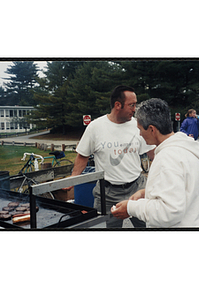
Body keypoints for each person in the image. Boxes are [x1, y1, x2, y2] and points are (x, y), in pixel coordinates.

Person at [111, 98, 199, 228]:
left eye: (140, 129)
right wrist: (145, 193)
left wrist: (130, 208)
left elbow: (168, 213)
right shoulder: (185, 148)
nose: (139, 134)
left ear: (152, 129)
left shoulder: (167, 158)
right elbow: (183, 188)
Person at [65, 85, 155, 228]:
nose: (135, 109)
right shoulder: (95, 127)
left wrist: (162, 177)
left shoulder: (137, 125)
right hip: (107, 194)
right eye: (132, 105)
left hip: (137, 189)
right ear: (117, 105)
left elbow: (152, 154)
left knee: (148, 226)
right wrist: (73, 178)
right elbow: (83, 155)